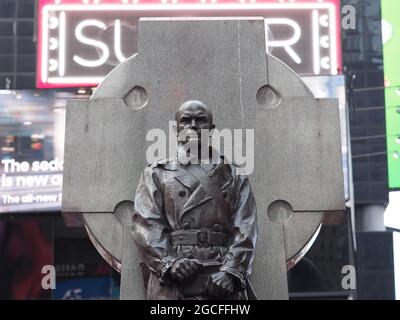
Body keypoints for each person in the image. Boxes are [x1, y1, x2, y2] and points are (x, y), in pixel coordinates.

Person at [132, 100, 257, 300]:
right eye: (185, 121)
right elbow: (146, 226)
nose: (193, 126)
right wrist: (168, 263)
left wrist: (231, 271)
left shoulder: (233, 174)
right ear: (176, 129)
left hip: (219, 276)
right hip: (176, 280)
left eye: (200, 120)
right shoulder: (157, 173)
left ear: (212, 129)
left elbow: (246, 227)